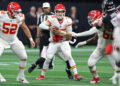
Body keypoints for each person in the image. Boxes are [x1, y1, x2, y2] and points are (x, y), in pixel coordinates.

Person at [35, 4, 83, 81]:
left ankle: (76, 75)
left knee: (69, 56)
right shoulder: (51, 18)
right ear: (55, 12)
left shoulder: (68, 20)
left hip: (64, 42)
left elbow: (69, 34)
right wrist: (49, 28)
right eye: (58, 12)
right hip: (54, 43)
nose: (60, 13)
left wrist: (60, 33)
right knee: (48, 58)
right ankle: (42, 76)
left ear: (64, 12)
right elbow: (41, 25)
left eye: (61, 12)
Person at [28, 2, 73, 79]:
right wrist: (38, 36)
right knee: (44, 57)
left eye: (47, 8)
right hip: (47, 39)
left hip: (58, 40)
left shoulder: (56, 16)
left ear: (50, 8)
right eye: (44, 8)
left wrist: (65, 35)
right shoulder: (42, 16)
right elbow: (40, 26)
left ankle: (68, 70)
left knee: (67, 58)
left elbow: (66, 29)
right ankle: (35, 65)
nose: (45, 9)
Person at [72, 9, 117, 84]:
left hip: (111, 48)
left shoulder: (103, 22)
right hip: (101, 48)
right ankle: (96, 78)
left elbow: (90, 32)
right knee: (90, 63)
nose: (90, 20)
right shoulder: (104, 20)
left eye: (91, 18)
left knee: (116, 66)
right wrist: (83, 42)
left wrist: (76, 34)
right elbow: (95, 38)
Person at [0, 2, 35, 83]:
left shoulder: (20, 17)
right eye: (15, 11)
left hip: (13, 40)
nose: (18, 13)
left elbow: (24, 27)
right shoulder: (1, 15)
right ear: (10, 10)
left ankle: (21, 77)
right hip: (1, 39)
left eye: (18, 11)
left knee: (24, 57)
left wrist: (31, 39)